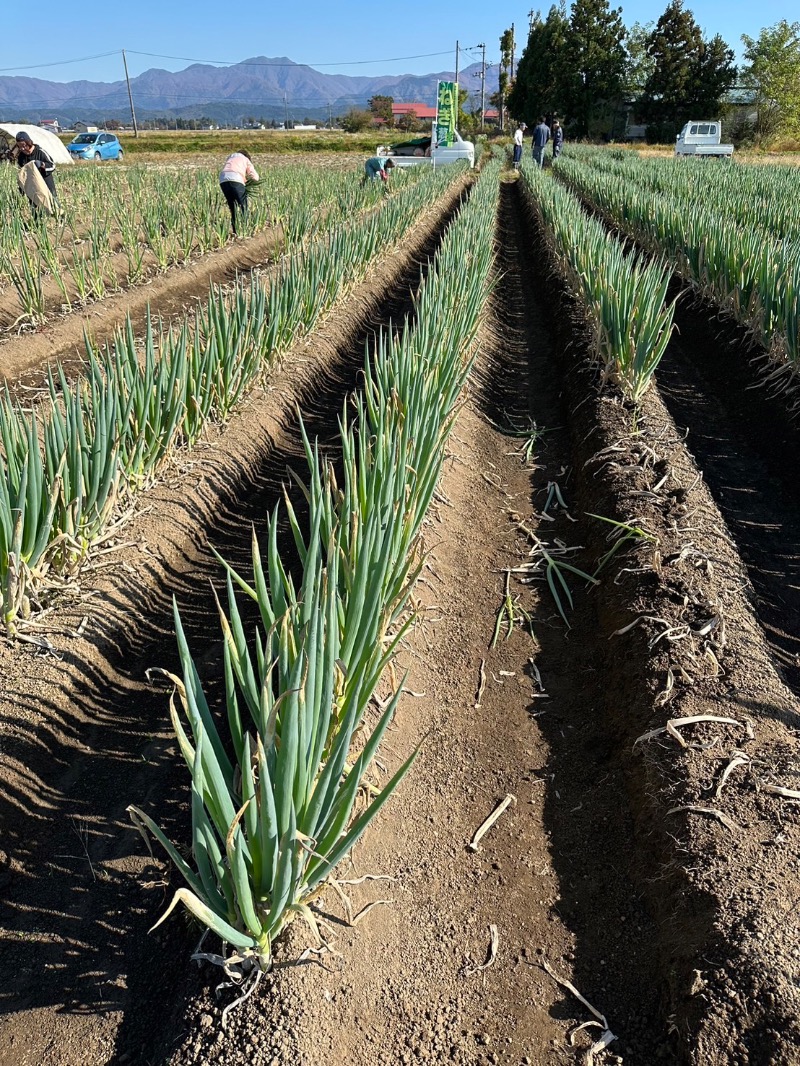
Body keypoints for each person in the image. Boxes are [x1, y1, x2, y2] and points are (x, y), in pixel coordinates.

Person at [218, 149, 259, 235]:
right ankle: (245, 231)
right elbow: (255, 176)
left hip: (223, 180)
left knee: (233, 207)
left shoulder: (230, 157)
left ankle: (235, 231)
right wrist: (250, 181)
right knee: (243, 205)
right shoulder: (246, 159)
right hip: (236, 179)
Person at [14, 131, 58, 207]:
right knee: (35, 208)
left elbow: (52, 165)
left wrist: (42, 165)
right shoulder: (21, 157)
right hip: (33, 186)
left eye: (24, 145)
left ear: (29, 142)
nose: (22, 148)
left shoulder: (40, 152)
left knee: (53, 204)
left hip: (46, 183)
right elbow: (22, 173)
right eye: (19, 147)